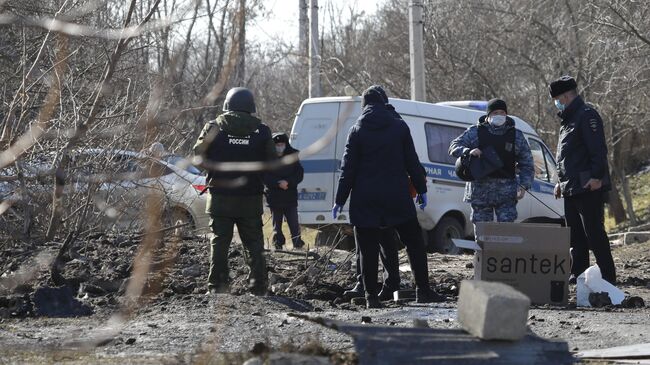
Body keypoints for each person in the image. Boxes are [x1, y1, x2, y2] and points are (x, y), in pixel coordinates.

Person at [333, 85, 443, 308]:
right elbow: (412, 161)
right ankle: (423, 290)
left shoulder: (356, 130)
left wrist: (340, 199)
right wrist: (421, 189)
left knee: (367, 248)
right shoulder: (399, 126)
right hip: (397, 196)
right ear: (384, 102)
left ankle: (371, 298)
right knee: (413, 242)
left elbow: (348, 170)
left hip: (365, 199)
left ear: (364, 105)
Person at [193, 87, 276, 295]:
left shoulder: (213, 127)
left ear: (227, 104)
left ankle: (217, 287)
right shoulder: (263, 131)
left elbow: (197, 156)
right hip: (250, 197)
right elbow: (272, 162)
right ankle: (258, 286)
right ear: (251, 106)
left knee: (220, 242)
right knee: (254, 242)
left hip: (219, 196)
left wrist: (214, 169)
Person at [550, 75, 616, 285]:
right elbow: (568, 157)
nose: (556, 103)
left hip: (588, 186)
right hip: (571, 188)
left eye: (558, 98)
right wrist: (561, 183)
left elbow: (597, 150)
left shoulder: (587, 116)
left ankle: (607, 277)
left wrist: (597, 177)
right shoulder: (567, 121)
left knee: (594, 234)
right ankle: (579, 274)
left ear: (567, 95)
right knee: (576, 236)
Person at [449, 98, 534, 226]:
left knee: (507, 234)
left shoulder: (516, 136)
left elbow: (527, 163)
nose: (499, 116)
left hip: (506, 194)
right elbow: (453, 146)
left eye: (502, 113)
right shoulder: (475, 132)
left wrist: (524, 186)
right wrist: (468, 151)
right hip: (480, 193)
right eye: (495, 113)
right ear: (488, 116)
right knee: (483, 237)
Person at [264, 132, 305, 250]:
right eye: (277, 144)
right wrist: (278, 183)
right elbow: (264, 176)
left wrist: (288, 182)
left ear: (286, 144)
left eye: (282, 144)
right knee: (276, 225)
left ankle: (297, 243)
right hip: (274, 196)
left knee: (294, 223)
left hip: (290, 196)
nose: (280, 147)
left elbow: (299, 174)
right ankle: (278, 244)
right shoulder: (267, 157)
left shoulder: (293, 155)